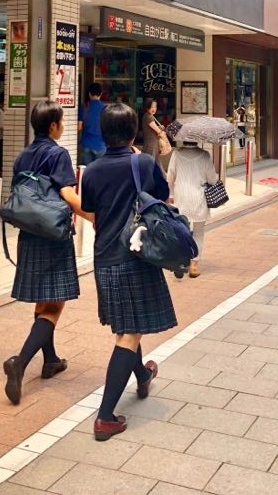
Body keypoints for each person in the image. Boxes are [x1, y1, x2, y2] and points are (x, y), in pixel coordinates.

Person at [82, 103, 177, 441]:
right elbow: (163, 197)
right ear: (134, 132)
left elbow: (90, 209)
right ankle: (105, 416)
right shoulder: (144, 163)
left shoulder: (91, 170)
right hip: (137, 256)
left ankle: (142, 374)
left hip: (104, 257)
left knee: (127, 325)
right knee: (129, 332)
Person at [2, 100, 90, 406]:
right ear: (53, 126)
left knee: (43, 300)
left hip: (29, 235)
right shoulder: (58, 153)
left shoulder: (23, 155)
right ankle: (20, 362)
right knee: (54, 305)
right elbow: (68, 194)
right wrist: (96, 218)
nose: (63, 126)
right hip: (53, 236)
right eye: (61, 121)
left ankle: (50, 359)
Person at [166, 141, 217, 279]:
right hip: (199, 197)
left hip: (181, 197)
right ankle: (194, 265)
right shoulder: (204, 155)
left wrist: (170, 194)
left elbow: (170, 177)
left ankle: (182, 261)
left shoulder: (176, 154)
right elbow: (212, 179)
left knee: (182, 231)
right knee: (199, 233)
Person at [78, 82, 106, 166]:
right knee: (100, 171)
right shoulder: (105, 108)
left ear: (89, 94)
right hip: (100, 145)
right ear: (101, 94)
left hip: (86, 144)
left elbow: (79, 127)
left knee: (86, 171)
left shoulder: (84, 107)